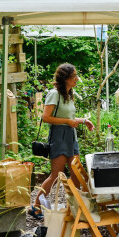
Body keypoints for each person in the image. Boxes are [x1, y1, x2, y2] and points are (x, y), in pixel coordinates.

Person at [29, 63, 93, 219]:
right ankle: (35, 206)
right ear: (66, 78)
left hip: (71, 137)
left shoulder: (70, 94)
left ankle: (74, 208)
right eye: (74, 76)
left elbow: (70, 118)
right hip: (59, 137)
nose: (77, 78)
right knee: (56, 175)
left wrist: (84, 120)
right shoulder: (54, 94)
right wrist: (67, 122)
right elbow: (46, 117)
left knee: (76, 174)